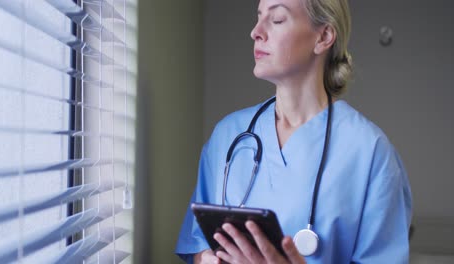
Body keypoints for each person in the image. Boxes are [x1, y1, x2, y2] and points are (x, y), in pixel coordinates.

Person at [176, 0, 412, 263]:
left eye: (276, 19)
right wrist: (208, 259)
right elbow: (196, 244)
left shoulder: (370, 152)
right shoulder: (228, 136)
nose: (256, 31)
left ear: (323, 37)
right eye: (258, 17)